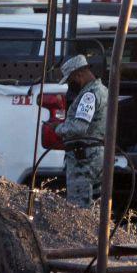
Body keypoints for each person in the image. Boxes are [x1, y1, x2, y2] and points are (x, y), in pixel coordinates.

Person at [54, 55, 108, 208]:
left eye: (71, 80)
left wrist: (57, 128)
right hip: (96, 156)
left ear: (79, 75)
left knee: (79, 210)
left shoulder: (89, 95)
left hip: (83, 159)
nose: (70, 85)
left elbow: (79, 128)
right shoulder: (102, 90)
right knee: (95, 208)